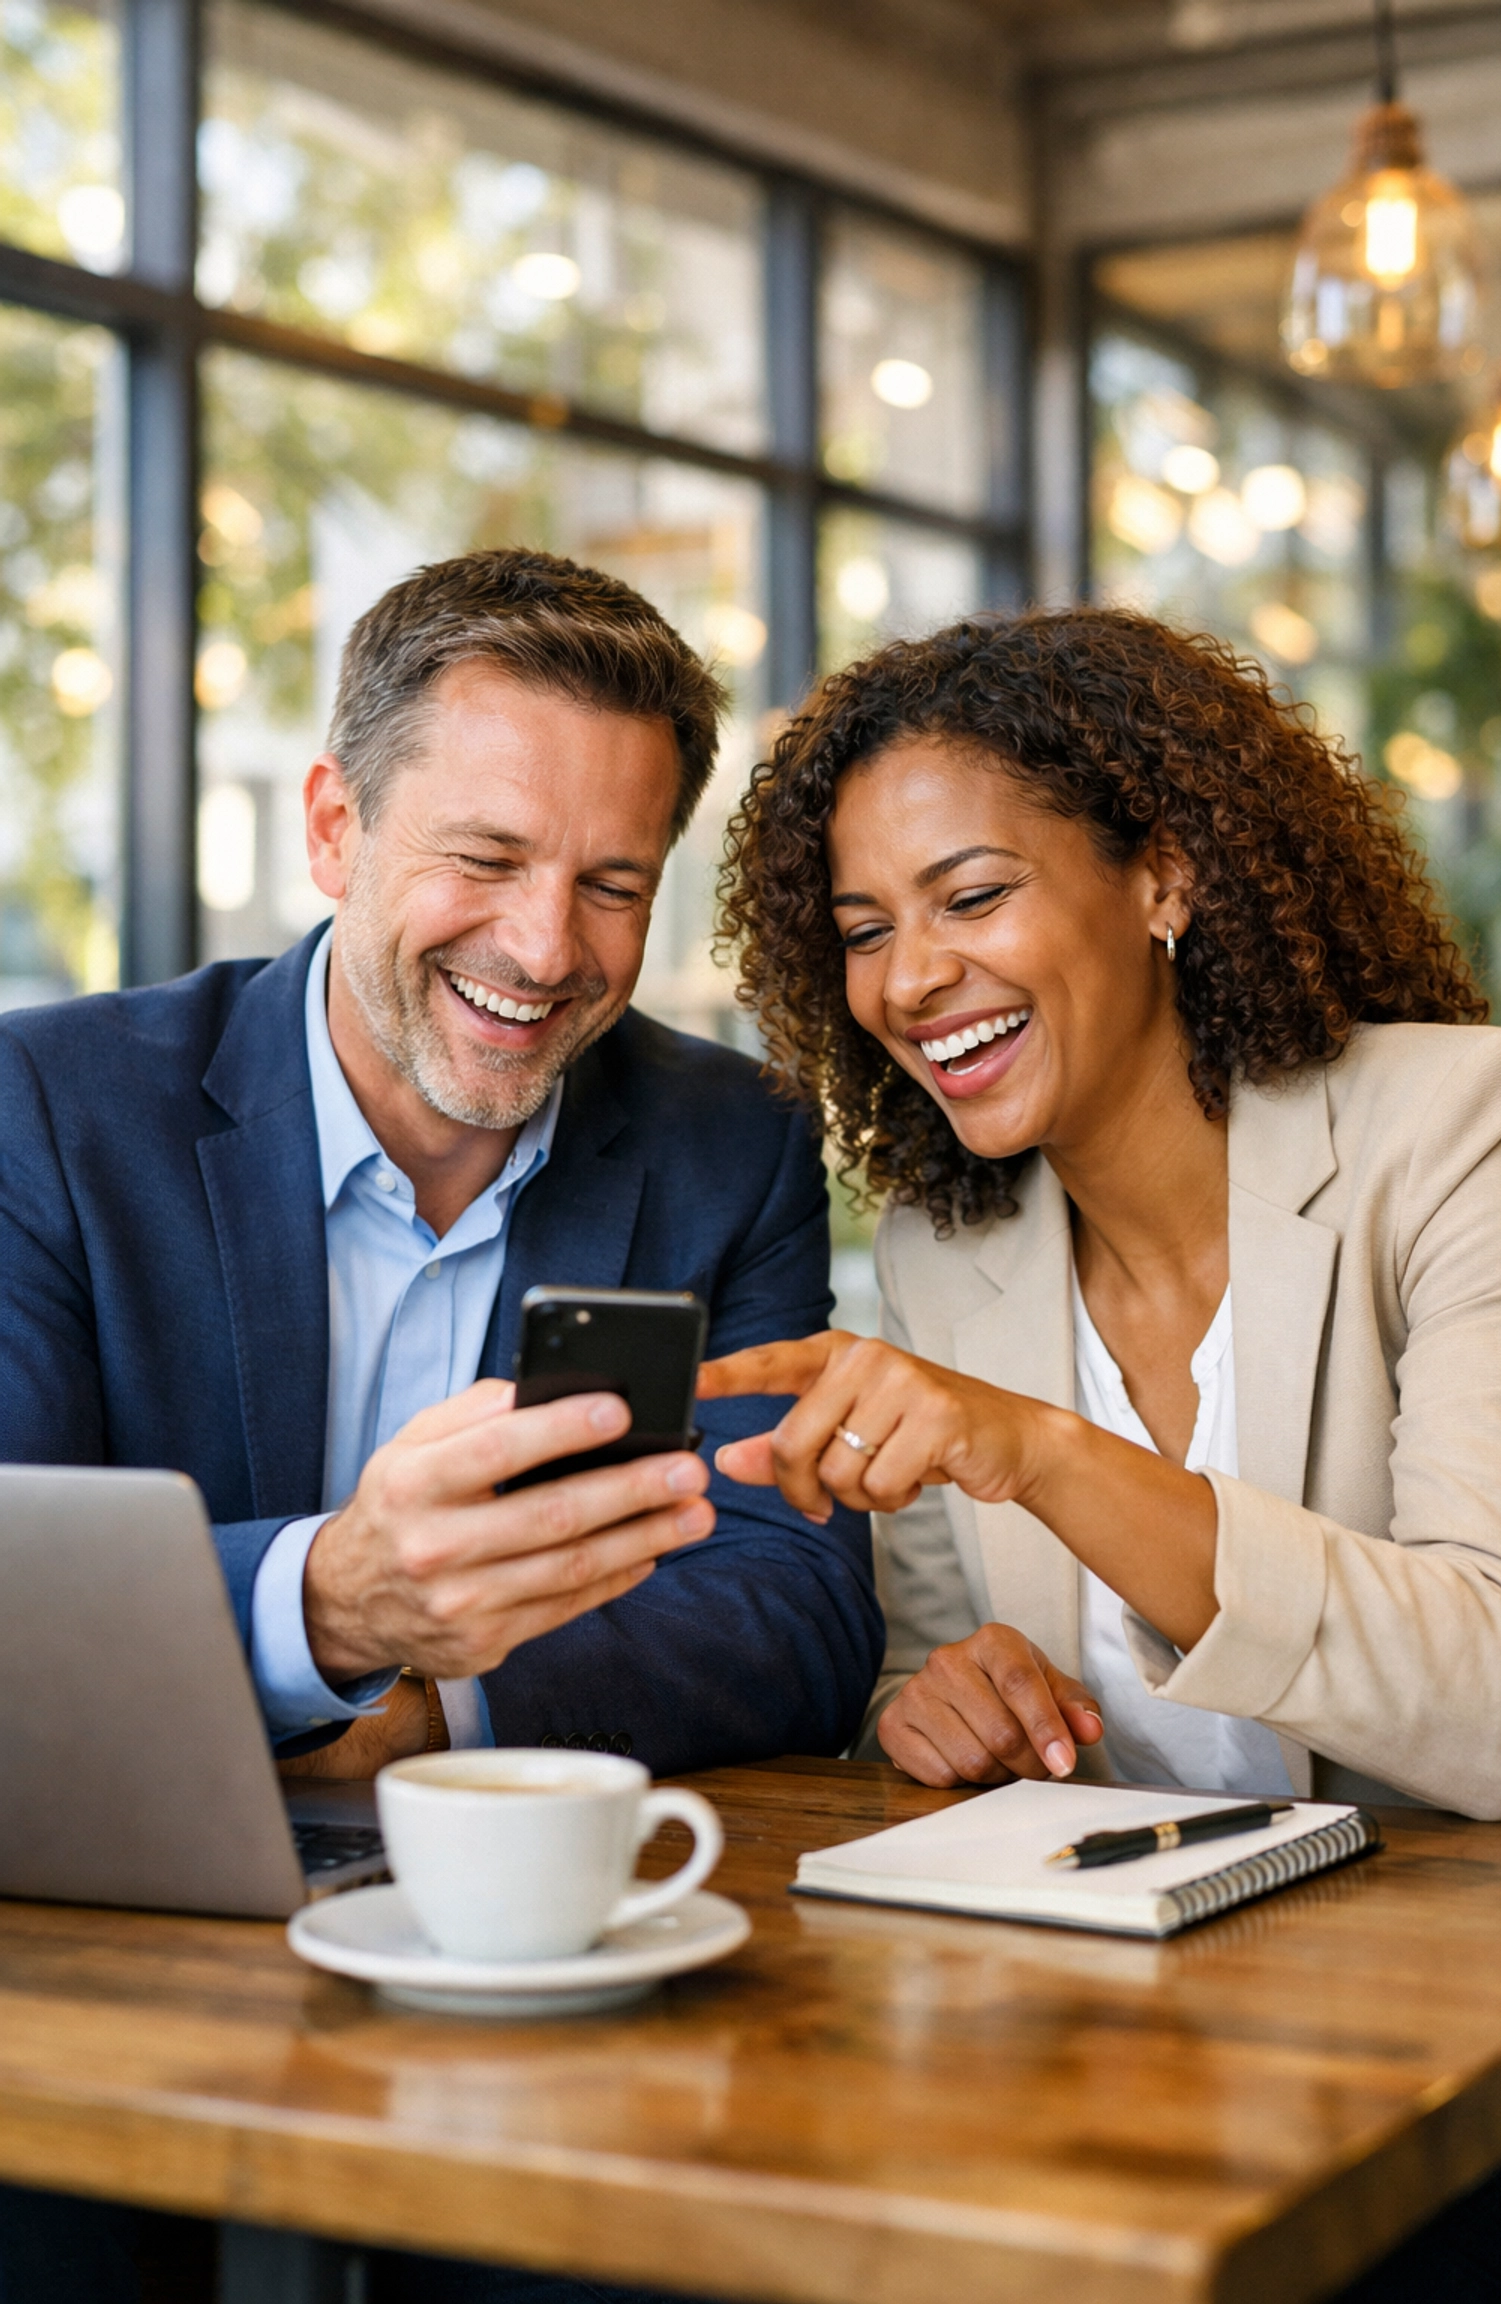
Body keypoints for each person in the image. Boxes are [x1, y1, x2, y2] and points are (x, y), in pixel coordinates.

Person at [0, 546, 880, 1778]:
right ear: (335, 830)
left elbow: (797, 1614)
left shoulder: (729, 1144)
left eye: (612, 885)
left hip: (536, 1866)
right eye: (485, 858)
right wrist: (327, 1605)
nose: (544, 948)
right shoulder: (45, 1108)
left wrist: (420, 1721)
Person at [702, 604, 1501, 1824]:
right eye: (865, 932)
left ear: (1165, 877)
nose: (910, 978)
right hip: (1112, 1936)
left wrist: (1047, 1454)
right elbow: (918, 1677)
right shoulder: (944, 1256)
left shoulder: (1467, 1135)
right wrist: (936, 1710)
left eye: (972, 896)